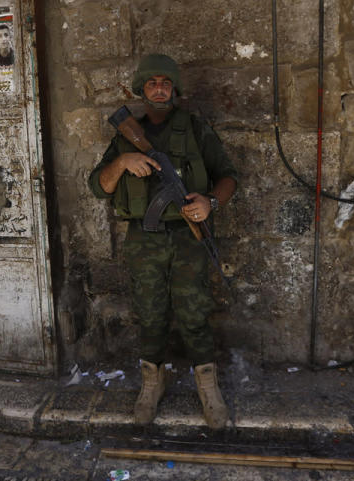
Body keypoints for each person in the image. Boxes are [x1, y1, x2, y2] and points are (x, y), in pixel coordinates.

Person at [88, 54, 238, 429]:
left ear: (175, 89)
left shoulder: (195, 128)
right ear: (142, 89)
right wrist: (123, 162)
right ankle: (151, 383)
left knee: (195, 311)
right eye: (152, 82)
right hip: (145, 238)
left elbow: (228, 175)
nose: (159, 88)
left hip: (189, 238)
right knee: (150, 312)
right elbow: (99, 186)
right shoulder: (126, 135)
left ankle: (208, 385)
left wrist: (210, 202)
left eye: (166, 82)